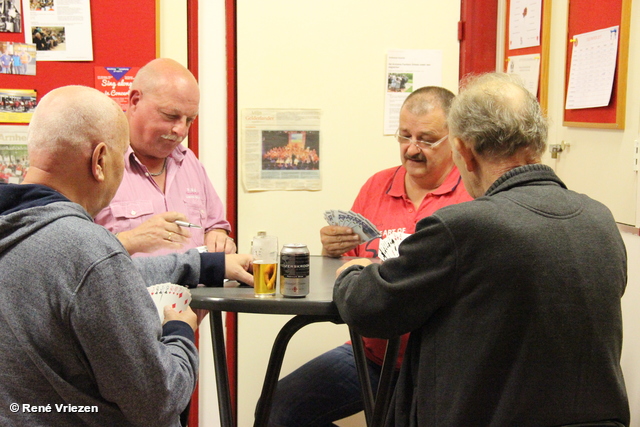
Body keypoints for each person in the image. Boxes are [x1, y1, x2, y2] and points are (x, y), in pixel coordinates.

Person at [333, 73, 630, 426]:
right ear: (537, 141)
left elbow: (371, 307)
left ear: (463, 151)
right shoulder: (600, 220)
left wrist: (353, 273)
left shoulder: (463, 227)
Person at [0, 85, 254, 426]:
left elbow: (95, 278)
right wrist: (179, 329)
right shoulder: (88, 251)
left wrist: (205, 264)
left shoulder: (22, 231)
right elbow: (159, 399)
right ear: (101, 160)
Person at [268, 87, 472, 426]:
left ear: (456, 139)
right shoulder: (378, 185)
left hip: (438, 367)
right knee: (277, 410)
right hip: (371, 357)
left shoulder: (469, 194)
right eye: (404, 136)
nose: (411, 149)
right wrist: (332, 249)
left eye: (427, 140)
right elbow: (345, 267)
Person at [95, 58, 236, 257]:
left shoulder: (189, 162)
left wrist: (218, 237)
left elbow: (215, 225)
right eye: (170, 116)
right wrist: (129, 241)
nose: (181, 130)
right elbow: (73, 255)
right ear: (135, 101)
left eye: (190, 120)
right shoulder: (96, 164)